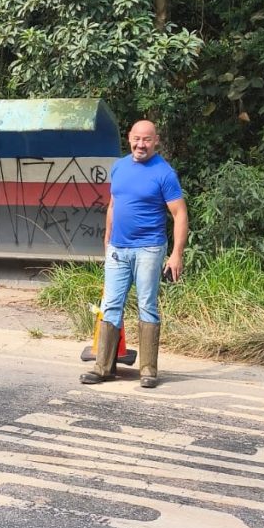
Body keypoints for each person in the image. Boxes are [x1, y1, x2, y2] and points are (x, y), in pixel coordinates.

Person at [80, 120, 188, 388]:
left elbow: (179, 213)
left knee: (146, 305)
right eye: (137, 139)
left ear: (156, 141)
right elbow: (113, 204)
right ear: (129, 138)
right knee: (110, 305)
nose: (141, 145)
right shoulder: (119, 167)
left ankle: (148, 371)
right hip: (118, 249)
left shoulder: (164, 173)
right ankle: (103, 368)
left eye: (147, 140)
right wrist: (107, 237)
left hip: (149, 248)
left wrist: (176, 254)